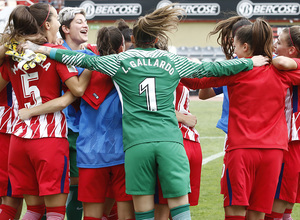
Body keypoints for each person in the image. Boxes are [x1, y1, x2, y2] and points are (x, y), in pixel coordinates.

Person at [22, 4, 268, 220]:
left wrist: (42, 49)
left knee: (143, 209)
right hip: (170, 140)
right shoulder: (171, 60)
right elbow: (210, 68)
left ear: (136, 39)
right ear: (155, 38)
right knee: (179, 206)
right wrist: (249, 61)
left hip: (137, 144)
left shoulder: (123, 60)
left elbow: (85, 60)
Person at [180, 18, 300, 220]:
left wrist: (165, 66)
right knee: (258, 214)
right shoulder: (282, 73)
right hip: (274, 152)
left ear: (245, 47)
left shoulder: (236, 71)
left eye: (234, 45)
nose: (233, 50)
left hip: (242, 150)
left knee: (235, 213)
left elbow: (195, 82)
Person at [19, 26, 135, 220]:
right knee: (124, 214)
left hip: (89, 153)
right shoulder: (126, 69)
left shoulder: (83, 68)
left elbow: (68, 73)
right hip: (121, 151)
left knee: (91, 216)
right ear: (121, 47)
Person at [0, 3, 92, 219]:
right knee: (55, 211)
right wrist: (91, 65)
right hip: (48, 139)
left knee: (33, 209)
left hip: (19, 140)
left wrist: (9, 46)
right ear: (47, 24)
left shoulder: (13, 53)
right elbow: (78, 88)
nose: (60, 23)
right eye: (56, 18)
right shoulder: (56, 54)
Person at [57, 7, 90, 220]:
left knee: (78, 185)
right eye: (79, 22)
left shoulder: (90, 57)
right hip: (56, 129)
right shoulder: (54, 53)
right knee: (53, 188)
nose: (85, 25)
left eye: (85, 21)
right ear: (65, 28)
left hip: (80, 130)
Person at [264, 26, 300, 220]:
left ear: (292, 50)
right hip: (291, 139)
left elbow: (280, 61)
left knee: (280, 198)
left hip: (290, 140)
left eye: (279, 42)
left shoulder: (286, 68)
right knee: (287, 199)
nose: (275, 46)